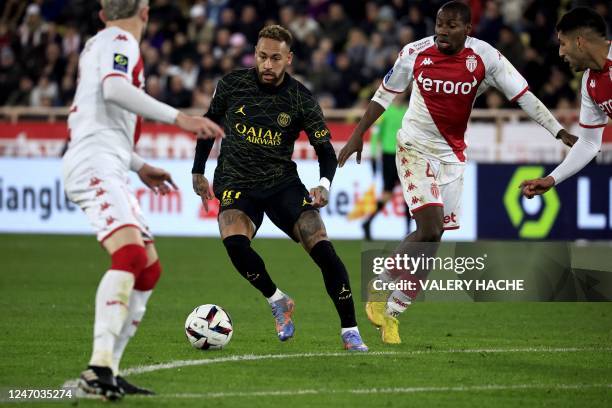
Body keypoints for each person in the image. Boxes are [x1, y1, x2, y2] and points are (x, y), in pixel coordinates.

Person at [338, 1, 576, 344]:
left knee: (433, 240)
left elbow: (522, 95)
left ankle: (393, 312)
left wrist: (558, 131)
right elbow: (384, 94)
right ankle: (382, 283)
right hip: (413, 147)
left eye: (451, 26)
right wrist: (358, 133)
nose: (442, 31)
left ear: (468, 29)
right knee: (430, 227)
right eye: (439, 24)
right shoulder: (414, 53)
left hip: (452, 157)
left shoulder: (486, 58)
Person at [62, 0, 222, 400]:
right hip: (94, 162)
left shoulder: (99, 42)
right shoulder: (120, 40)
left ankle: (108, 372)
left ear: (102, 12)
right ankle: (98, 367)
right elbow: (114, 90)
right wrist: (180, 118)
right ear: (145, 12)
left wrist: (138, 164)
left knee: (148, 269)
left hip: (110, 160)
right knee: (131, 257)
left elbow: (96, 116)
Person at [191, 25, 368, 352]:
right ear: (255, 55)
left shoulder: (300, 98)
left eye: (275, 58)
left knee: (324, 251)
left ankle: (350, 331)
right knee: (235, 243)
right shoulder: (232, 84)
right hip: (236, 180)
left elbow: (325, 150)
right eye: (262, 57)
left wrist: (324, 184)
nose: (267, 65)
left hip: (281, 183)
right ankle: (277, 300)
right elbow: (208, 126)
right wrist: (198, 171)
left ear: (288, 58)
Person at [521, 7, 610, 198]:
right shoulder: (589, 83)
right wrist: (552, 179)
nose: (560, 53)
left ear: (579, 42)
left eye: (562, 43)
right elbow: (588, 142)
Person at [363, 93, 411, 241]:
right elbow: (375, 134)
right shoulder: (385, 112)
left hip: (405, 157)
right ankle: (368, 222)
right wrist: (372, 155)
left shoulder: (409, 111)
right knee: (388, 193)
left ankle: (408, 231)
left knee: (409, 194)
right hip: (389, 157)